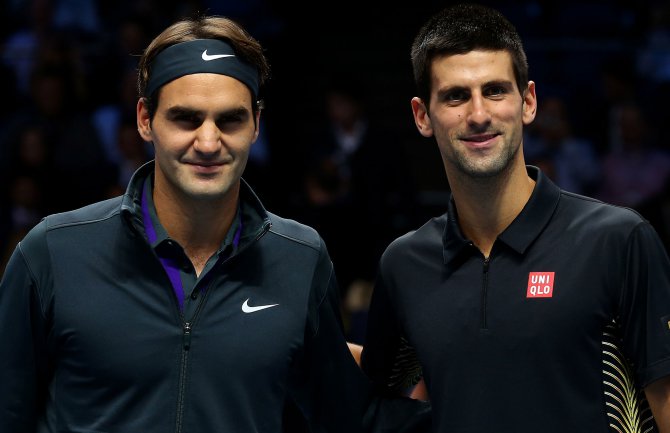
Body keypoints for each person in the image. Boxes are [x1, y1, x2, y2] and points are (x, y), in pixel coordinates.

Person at [0, 15, 374, 433]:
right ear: (145, 119)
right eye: (186, 118)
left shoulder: (301, 258)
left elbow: (344, 416)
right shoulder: (53, 252)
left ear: (256, 123)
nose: (209, 142)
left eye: (230, 120)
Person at [361, 4, 670, 432]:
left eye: (495, 91)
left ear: (527, 102)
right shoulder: (405, 264)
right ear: (422, 116)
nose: (478, 115)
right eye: (455, 96)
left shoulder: (617, 240)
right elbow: (372, 392)